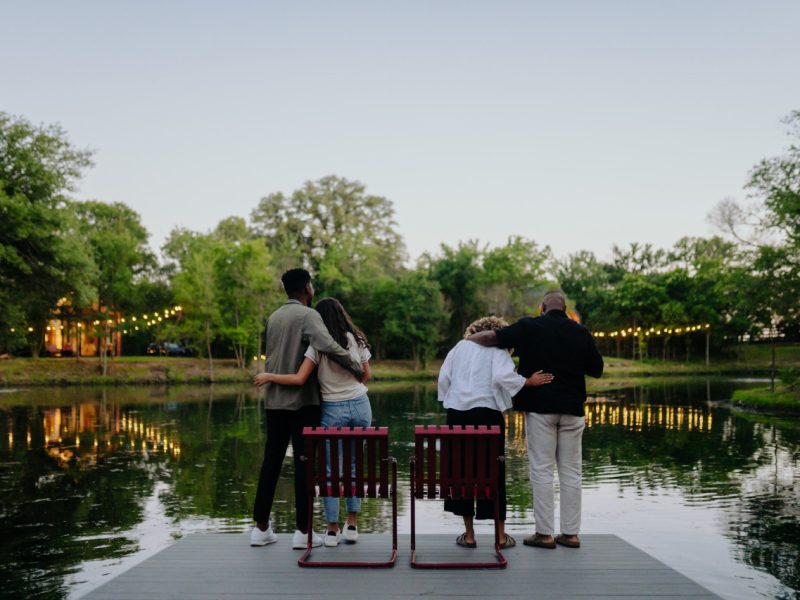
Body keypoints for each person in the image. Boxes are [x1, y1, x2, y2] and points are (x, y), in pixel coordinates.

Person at [469, 292, 603, 549]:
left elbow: (492, 338)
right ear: (565, 309)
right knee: (572, 471)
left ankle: (545, 534)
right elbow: (596, 368)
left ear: (542, 307)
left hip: (541, 409)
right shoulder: (580, 332)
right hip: (573, 410)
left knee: (542, 469)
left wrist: (468, 340)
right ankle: (571, 534)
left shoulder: (530, 326)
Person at [250, 269, 364, 549]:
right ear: (307, 289)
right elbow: (327, 345)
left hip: (275, 402)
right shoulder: (309, 315)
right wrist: (355, 365)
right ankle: (302, 533)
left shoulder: (274, 317)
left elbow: (272, 354)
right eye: (311, 285)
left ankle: (260, 528)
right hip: (304, 403)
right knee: (305, 467)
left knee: (271, 464)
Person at [438, 316, 554, 549]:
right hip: (486, 414)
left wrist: (451, 399)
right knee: (493, 472)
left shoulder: (459, 348)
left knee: (462, 472)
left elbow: (444, 379)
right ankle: (500, 537)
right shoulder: (496, 349)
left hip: (457, 414)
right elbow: (503, 377)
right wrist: (528, 382)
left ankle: (469, 535)